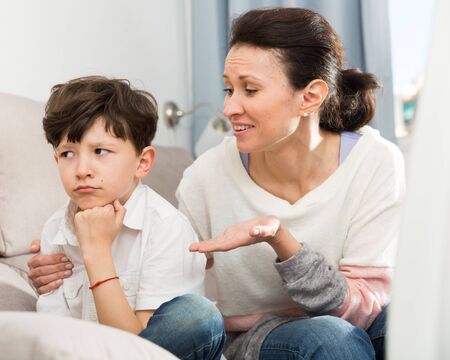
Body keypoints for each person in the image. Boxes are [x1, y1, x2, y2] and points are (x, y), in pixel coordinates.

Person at [29, 8, 404, 360]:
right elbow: (173, 281)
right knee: (330, 340)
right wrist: (75, 258)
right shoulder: (206, 176)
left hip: (354, 320)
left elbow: (362, 309)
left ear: (310, 96)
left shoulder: (375, 161)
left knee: (406, 319)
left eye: (250, 90)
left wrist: (280, 240)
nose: (229, 108)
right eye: (228, 89)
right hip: (259, 337)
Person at [31, 76, 225, 360]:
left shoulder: (166, 228)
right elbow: (58, 338)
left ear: (142, 162)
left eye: (100, 151)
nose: (82, 169)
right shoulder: (55, 230)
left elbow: (140, 350)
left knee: (197, 316)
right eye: (68, 153)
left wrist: (96, 252)